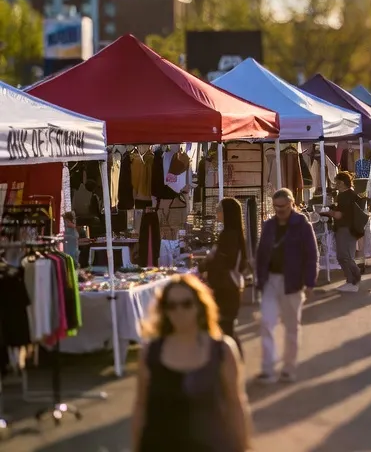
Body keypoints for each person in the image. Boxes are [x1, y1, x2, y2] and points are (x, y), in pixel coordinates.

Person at [131, 275, 251, 452]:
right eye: (171, 306)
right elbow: (141, 406)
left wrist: (244, 445)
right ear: (164, 311)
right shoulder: (150, 353)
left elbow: (235, 403)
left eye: (186, 304)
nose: (179, 311)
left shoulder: (222, 350)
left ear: (199, 306)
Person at [255, 188, 318, 384]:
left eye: (282, 206)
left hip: (293, 282)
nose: (279, 210)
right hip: (270, 281)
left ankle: (289, 368)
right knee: (267, 323)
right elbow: (261, 254)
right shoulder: (268, 226)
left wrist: (309, 283)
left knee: (292, 327)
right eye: (276, 206)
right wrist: (259, 279)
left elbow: (311, 255)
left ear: (291, 203)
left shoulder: (302, 225)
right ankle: (268, 368)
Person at [200, 197, 249, 352]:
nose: (217, 213)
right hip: (229, 286)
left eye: (219, 210)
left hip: (226, 287)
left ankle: (232, 361)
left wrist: (205, 266)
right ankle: (232, 360)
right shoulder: (231, 234)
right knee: (226, 328)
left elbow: (222, 262)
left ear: (227, 213)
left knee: (225, 328)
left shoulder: (229, 236)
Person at [325, 171, 363, 293]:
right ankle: (351, 280)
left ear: (342, 183)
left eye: (337, 182)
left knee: (344, 256)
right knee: (344, 256)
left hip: (345, 229)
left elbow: (339, 215)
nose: (336, 184)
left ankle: (354, 278)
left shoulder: (344, 196)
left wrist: (327, 212)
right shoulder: (352, 195)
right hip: (350, 229)